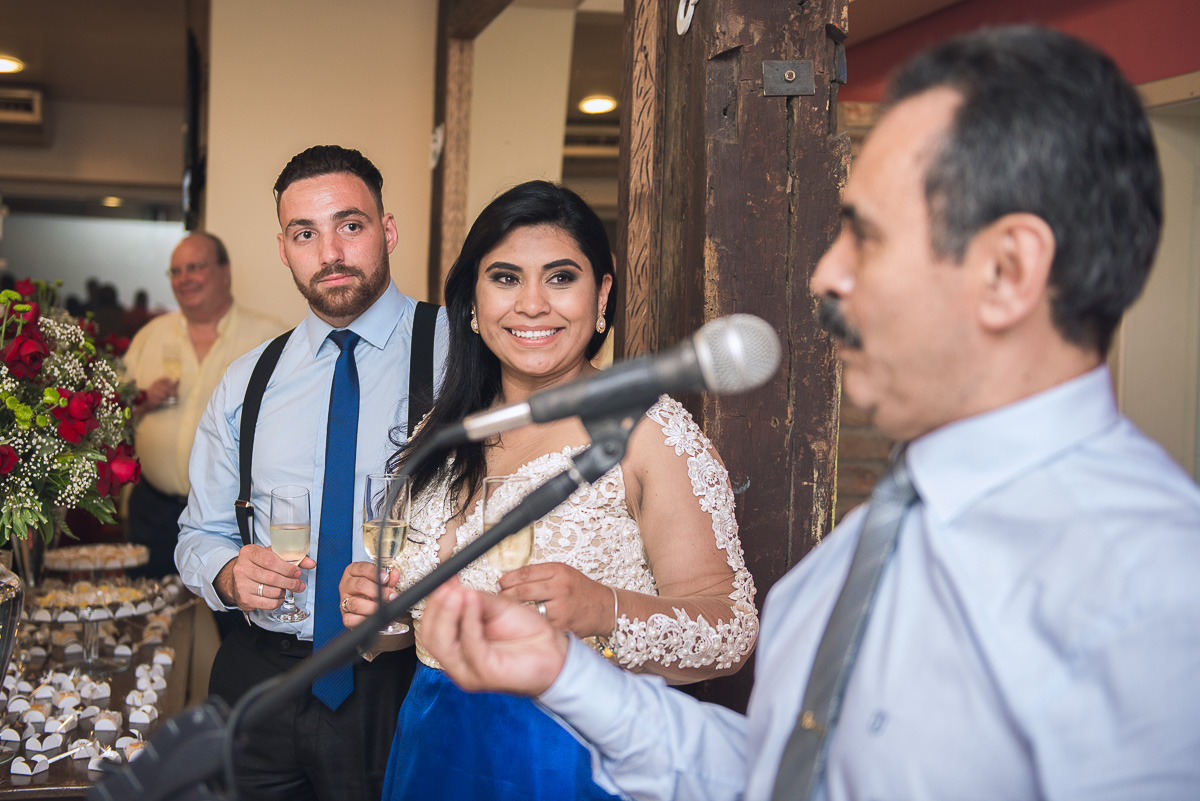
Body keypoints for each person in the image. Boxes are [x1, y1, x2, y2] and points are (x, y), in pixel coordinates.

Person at [416, 27, 1200, 801]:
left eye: (865, 234)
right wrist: (570, 673)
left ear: (1008, 269)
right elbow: (788, 776)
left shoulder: (1151, 583)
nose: (825, 274)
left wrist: (605, 614)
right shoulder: (856, 550)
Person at [337, 180, 759, 800]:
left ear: (603, 293)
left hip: (571, 761)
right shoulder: (442, 433)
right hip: (433, 749)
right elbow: (407, 624)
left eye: (561, 278)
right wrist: (380, 620)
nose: (532, 304)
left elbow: (732, 631)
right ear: (473, 306)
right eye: (506, 278)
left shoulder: (648, 429)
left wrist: (604, 610)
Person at [175, 145, 449, 801]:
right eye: (305, 233)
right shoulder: (247, 382)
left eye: (349, 225)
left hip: (399, 678)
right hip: (259, 675)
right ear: (283, 248)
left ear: (386, 230)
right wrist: (228, 571)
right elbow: (197, 532)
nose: (329, 251)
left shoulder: (459, 354)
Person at [125, 232, 286, 578]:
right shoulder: (149, 336)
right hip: (153, 509)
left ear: (224, 271)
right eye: (176, 272)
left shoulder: (269, 338)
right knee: (146, 619)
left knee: (233, 619)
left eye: (194, 267)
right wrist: (139, 403)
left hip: (234, 515)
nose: (184, 279)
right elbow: (112, 416)